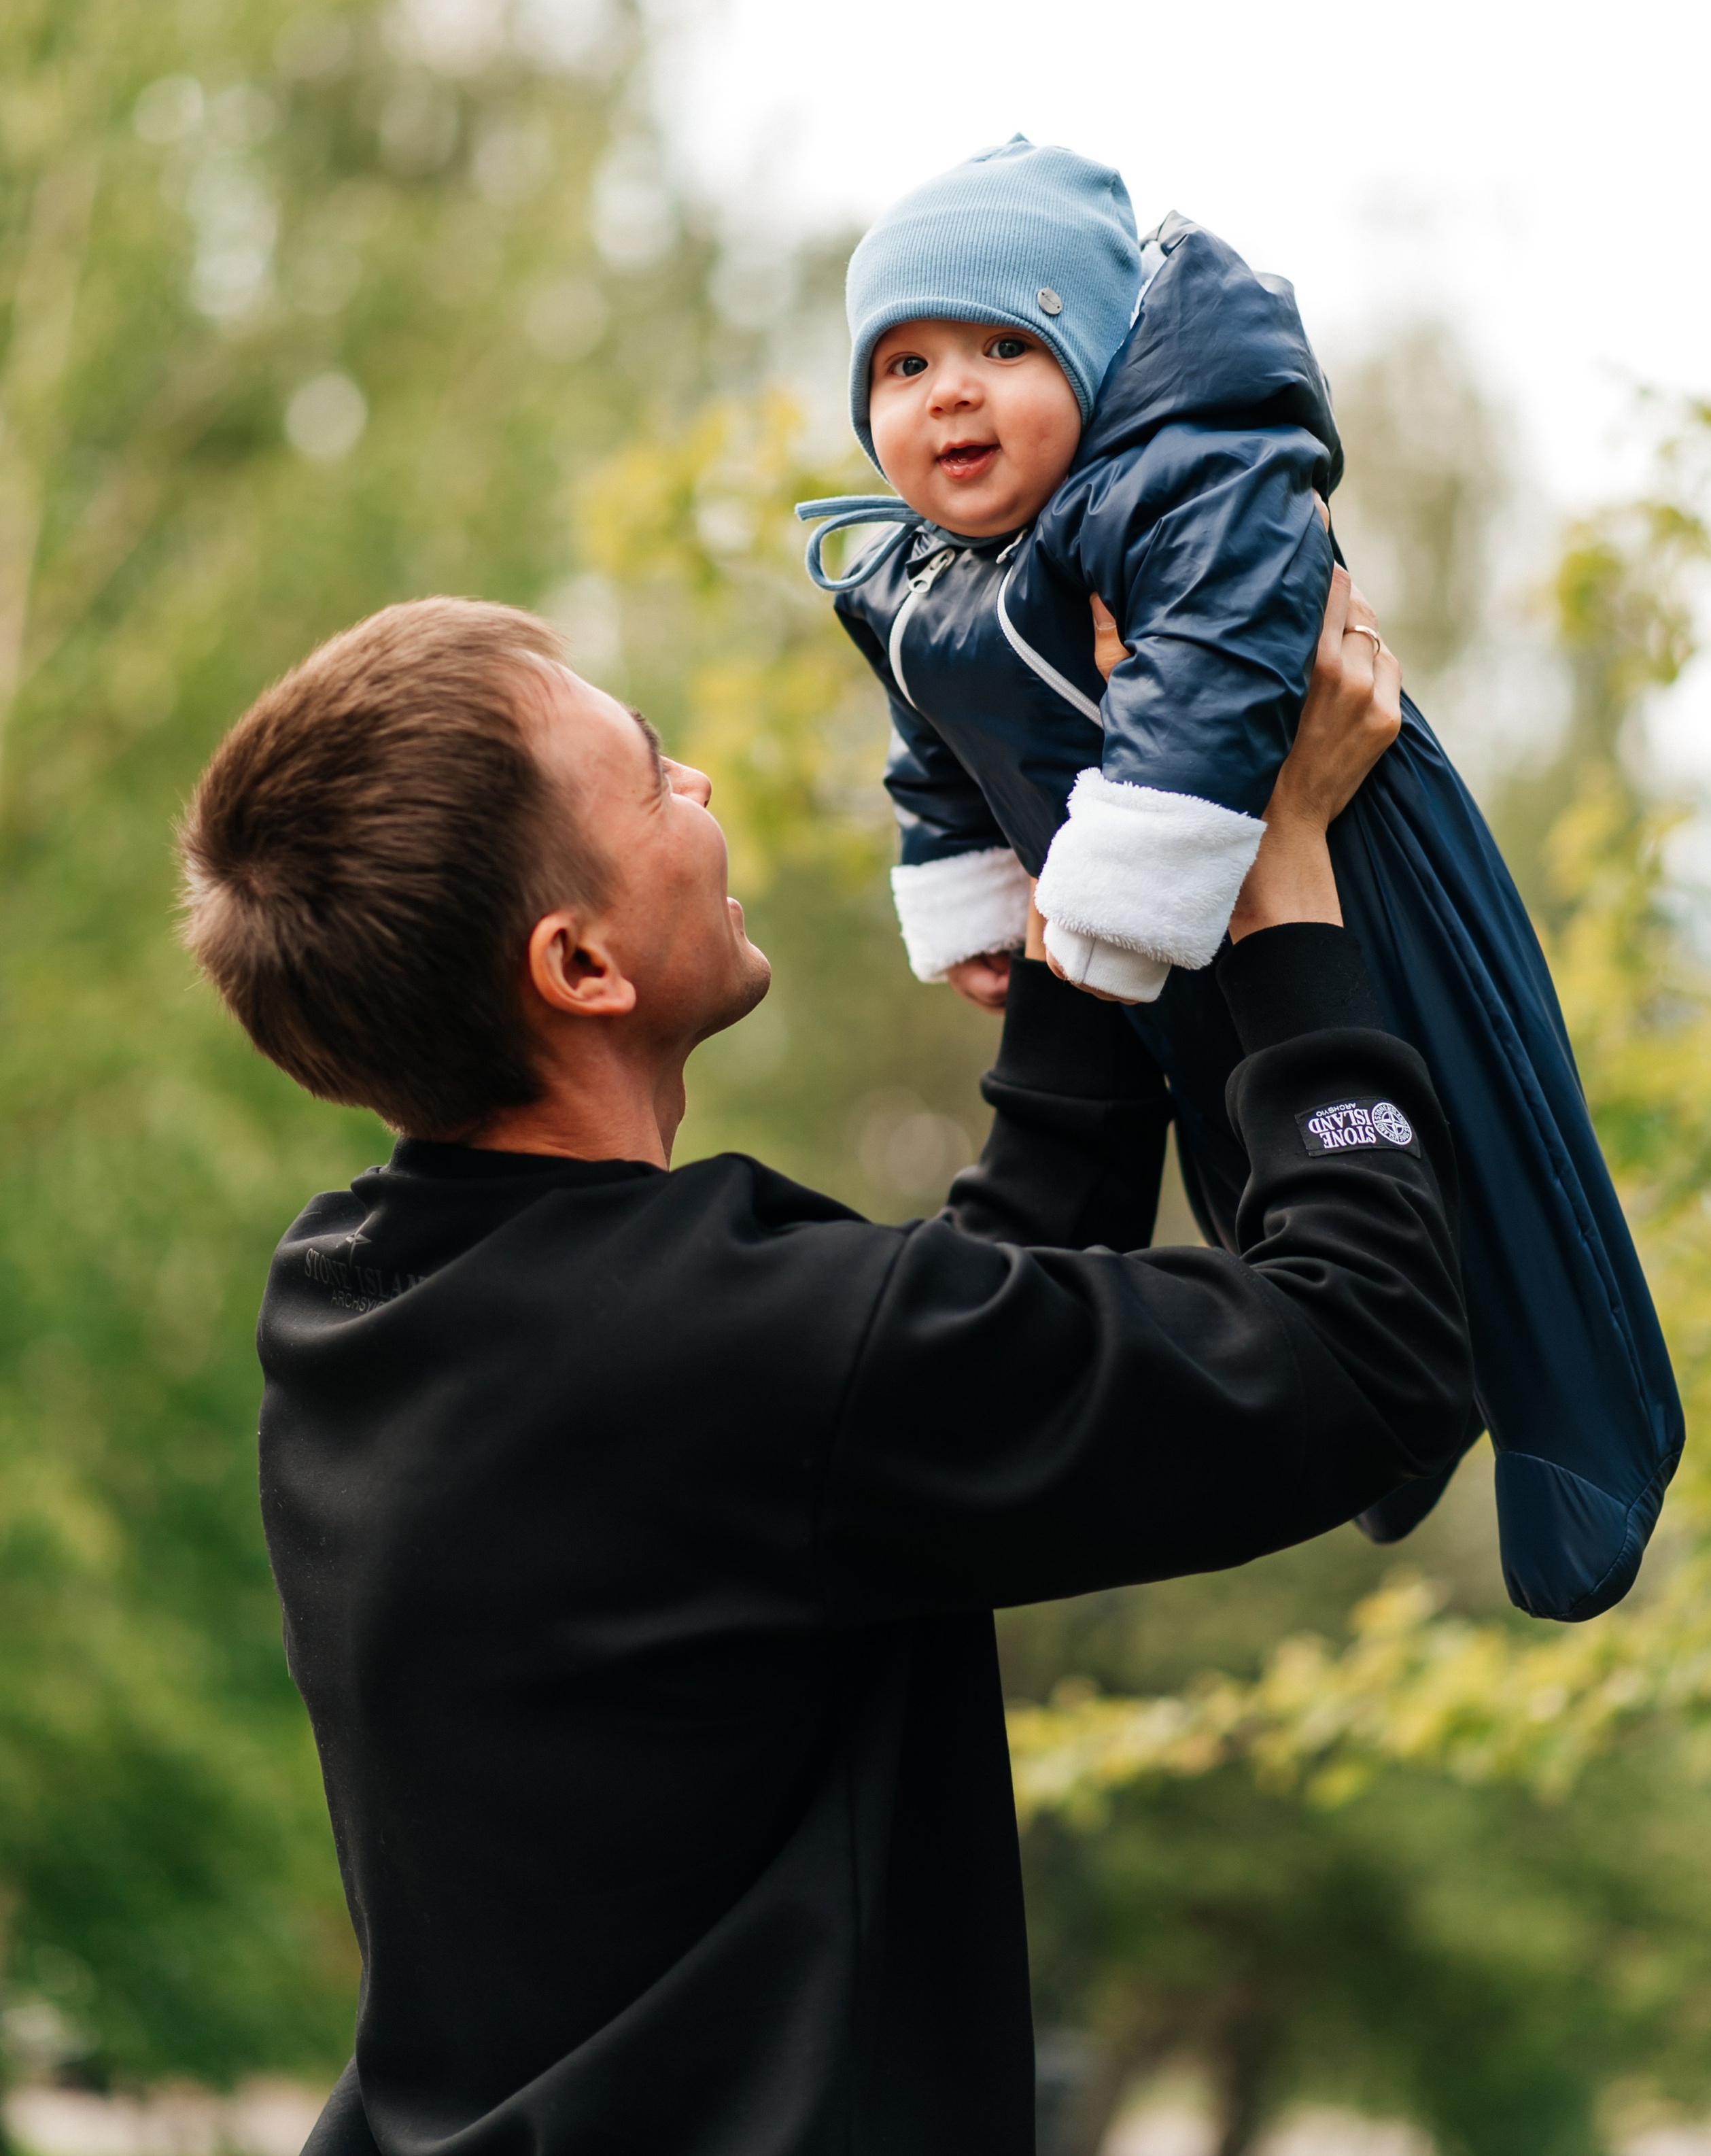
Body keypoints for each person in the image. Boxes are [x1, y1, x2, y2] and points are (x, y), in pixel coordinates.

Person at [179, 576, 1466, 2156]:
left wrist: (1080, 966)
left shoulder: (354, 1304)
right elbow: (1371, 1349)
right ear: (579, 964)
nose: (701, 785)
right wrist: (1279, 901)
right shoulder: (717, 1347)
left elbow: (895, 1383)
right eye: (652, 772)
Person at [795, 133, 1681, 1623]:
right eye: (902, 365)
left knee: (1482, 1122)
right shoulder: (921, 581)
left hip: (1355, 865)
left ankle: (1582, 1432)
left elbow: (1214, 662)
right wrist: (965, 883)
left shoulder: (1181, 481)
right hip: (1159, 933)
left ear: (1089, 355)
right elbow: (932, 742)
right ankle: (1388, 1420)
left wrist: (1119, 887)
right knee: (1245, 1164)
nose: (947, 389)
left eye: (1003, 343)